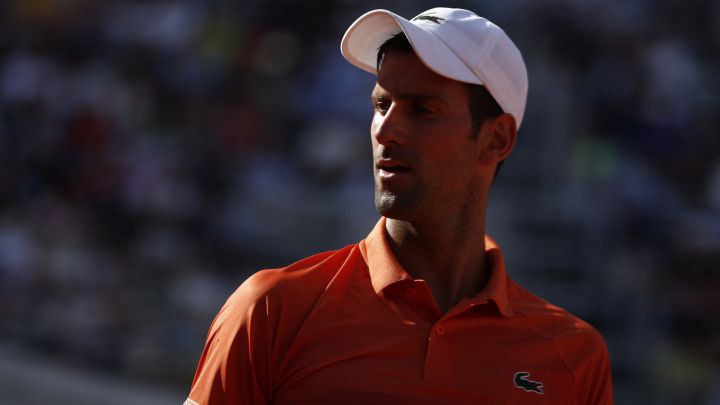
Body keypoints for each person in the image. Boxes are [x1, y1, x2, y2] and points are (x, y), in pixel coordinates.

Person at [185, 7, 613, 405]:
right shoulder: (271, 309)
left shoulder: (573, 358)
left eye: (422, 110)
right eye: (381, 104)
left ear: (496, 139)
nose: (386, 130)